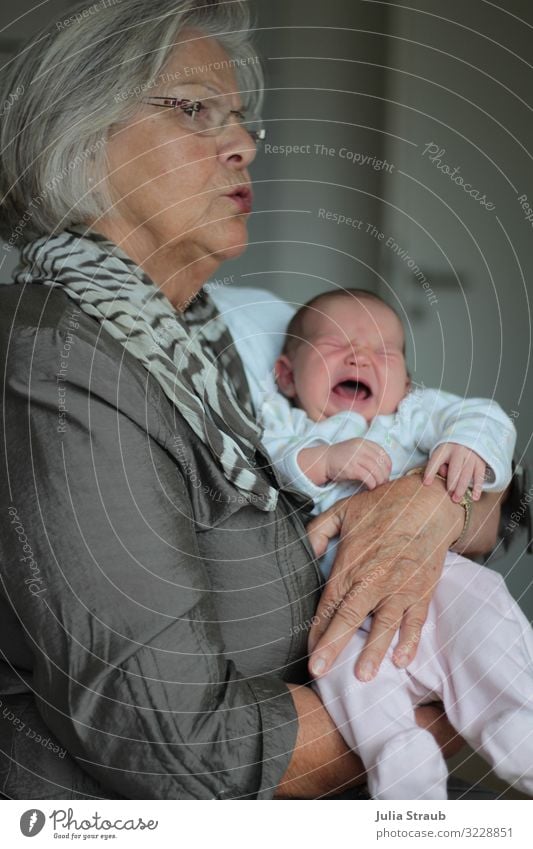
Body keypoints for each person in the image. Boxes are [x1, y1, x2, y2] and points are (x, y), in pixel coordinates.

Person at [0, 0, 504, 800]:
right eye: (195, 110)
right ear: (81, 140)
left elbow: (465, 472)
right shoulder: (59, 360)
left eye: (239, 118)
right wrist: (461, 699)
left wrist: (430, 505)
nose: (241, 145)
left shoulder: (246, 322)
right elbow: (172, 751)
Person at [223, 287, 531, 799]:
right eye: (334, 344)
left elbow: (484, 415)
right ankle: (399, 759)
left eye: (382, 350)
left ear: (406, 383)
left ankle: (514, 719)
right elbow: (277, 458)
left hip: (440, 580)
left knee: (483, 611)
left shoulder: (413, 415)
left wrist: (466, 443)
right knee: (341, 667)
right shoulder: (285, 422)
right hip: (346, 597)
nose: (360, 355)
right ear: (284, 375)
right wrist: (322, 461)